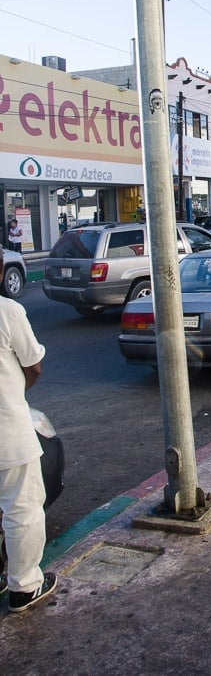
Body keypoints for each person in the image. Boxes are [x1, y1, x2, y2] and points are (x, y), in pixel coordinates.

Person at [0, 246, 57, 613]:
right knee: (22, 507)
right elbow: (33, 365)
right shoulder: (8, 311)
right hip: (7, 430)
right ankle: (24, 586)